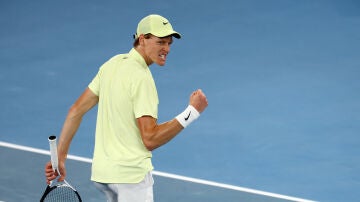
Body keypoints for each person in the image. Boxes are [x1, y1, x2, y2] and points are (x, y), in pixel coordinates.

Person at [45, 14, 208, 202]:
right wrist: (192, 112)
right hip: (131, 179)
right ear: (142, 39)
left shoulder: (111, 65)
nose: (166, 49)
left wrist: (61, 157)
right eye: (160, 42)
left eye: (169, 43)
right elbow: (150, 139)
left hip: (103, 175)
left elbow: (75, 111)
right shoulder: (142, 78)